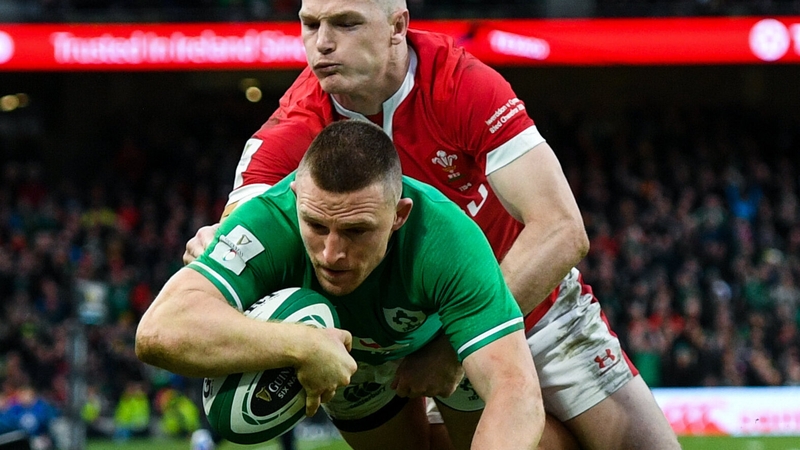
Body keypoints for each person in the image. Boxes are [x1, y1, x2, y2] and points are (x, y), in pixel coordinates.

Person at [184, 0, 681, 448]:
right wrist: (214, 248)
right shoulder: (291, 129)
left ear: (398, 26)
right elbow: (236, 237)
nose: (323, 43)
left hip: (537, 307)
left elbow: (561, 229)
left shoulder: (461, 85)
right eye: (310, 25)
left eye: (346, 24)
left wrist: (454, 346)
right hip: (403, 336)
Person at [137, 120, 546, 450]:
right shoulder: (268, 222)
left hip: (442, 346)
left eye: (356, 231)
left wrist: (445, 353)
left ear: (399, 215)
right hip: (349, 365)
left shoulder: (447, 240)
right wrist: (303, 345)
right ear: (296, 196)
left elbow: (517, 389)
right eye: (316, 225)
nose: (332, 253)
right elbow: (158, 330)